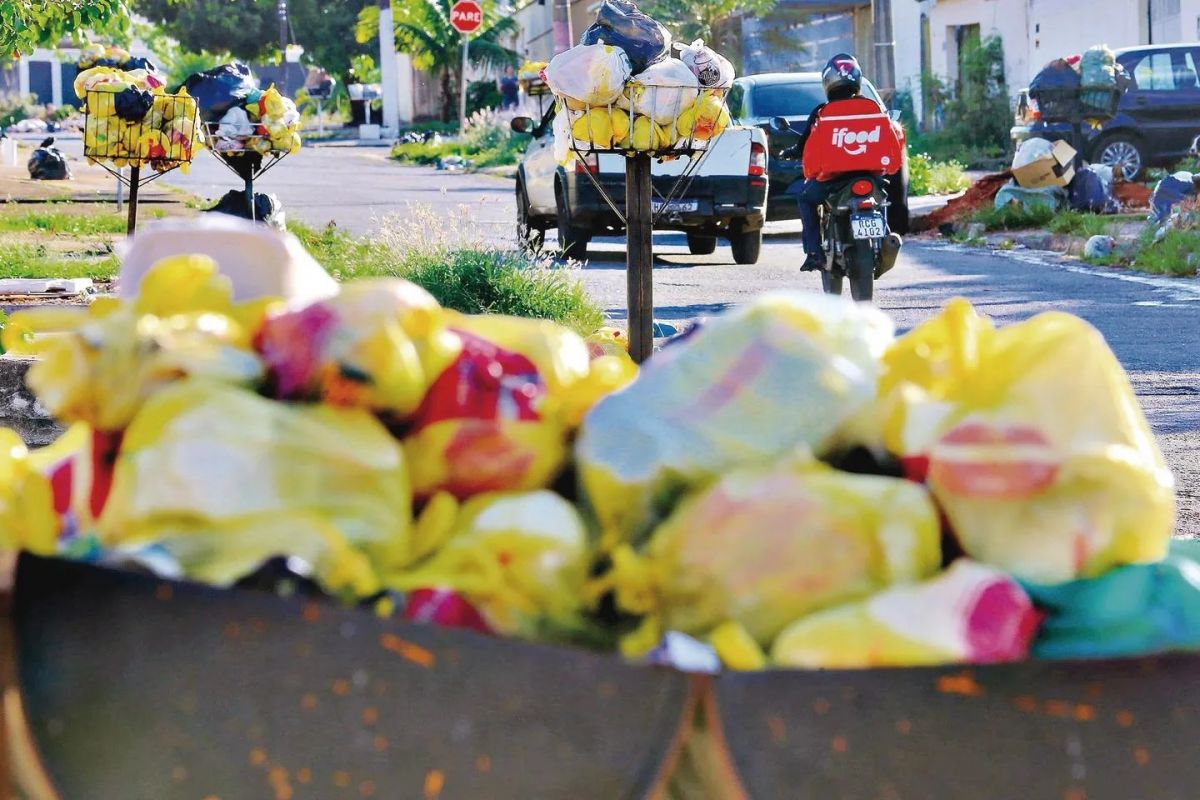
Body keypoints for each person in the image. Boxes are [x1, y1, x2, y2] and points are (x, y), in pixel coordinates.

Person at [786, 53, 866, 272]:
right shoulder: (871, 107)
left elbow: (805, 144)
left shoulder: (823, 112)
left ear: (828, 82)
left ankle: (814, 253)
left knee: (805, 198)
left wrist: (792, 152)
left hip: (833, 178)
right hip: (871, 175)